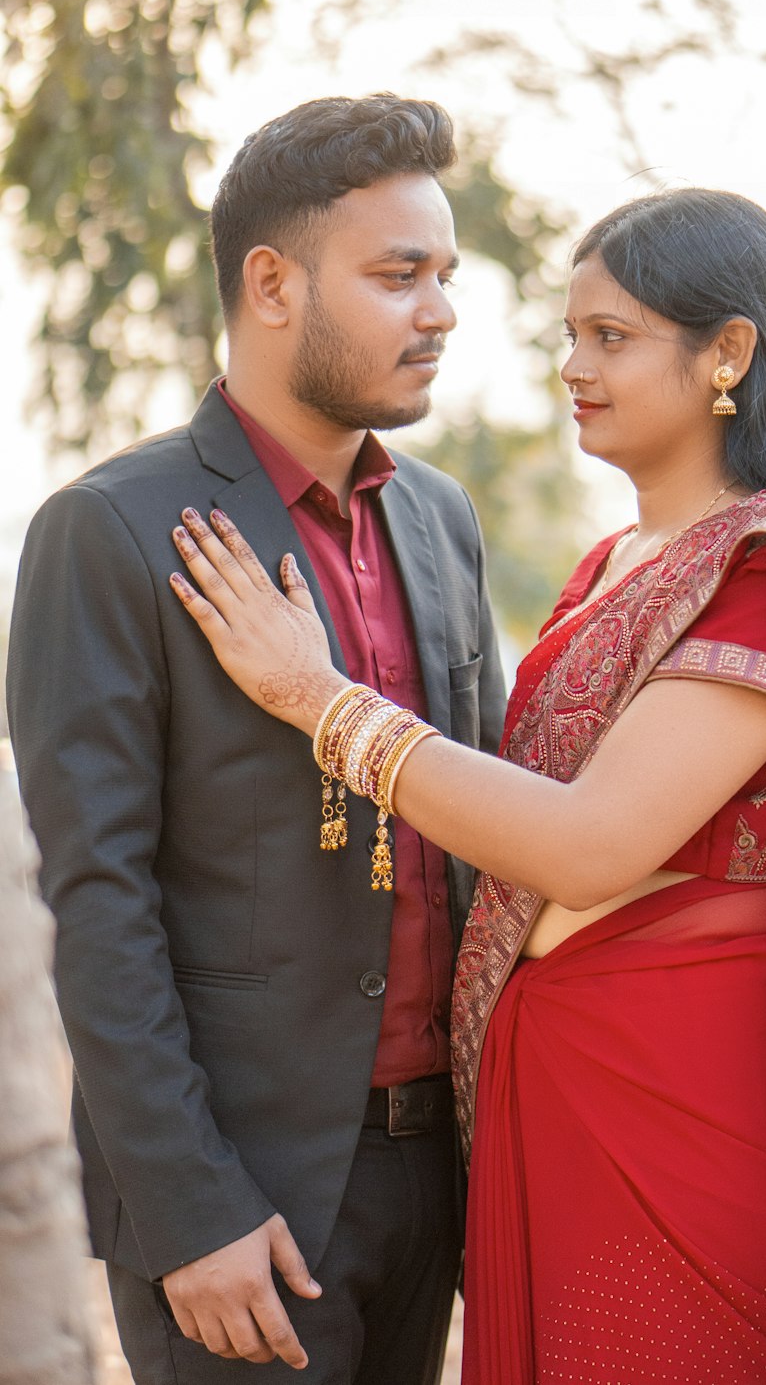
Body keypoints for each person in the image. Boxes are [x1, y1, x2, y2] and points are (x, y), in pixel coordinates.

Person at [161, 188, 766, 1384]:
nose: (572, 366)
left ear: (729, 354)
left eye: (611, 337)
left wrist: (319, 701)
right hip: (548, 1094)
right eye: (569, 335)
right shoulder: (612, 566)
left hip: (685, 1106)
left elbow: (593, 845)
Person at [6, 94, 506, 1385]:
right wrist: (190, 1211)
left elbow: (481, 821)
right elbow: (95, 906)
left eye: (444, 276)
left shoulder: (442, 521)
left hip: (437, 1183)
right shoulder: (108, 531)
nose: (440, 310)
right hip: (240, 1208)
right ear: (271, 284)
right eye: (400, 275)